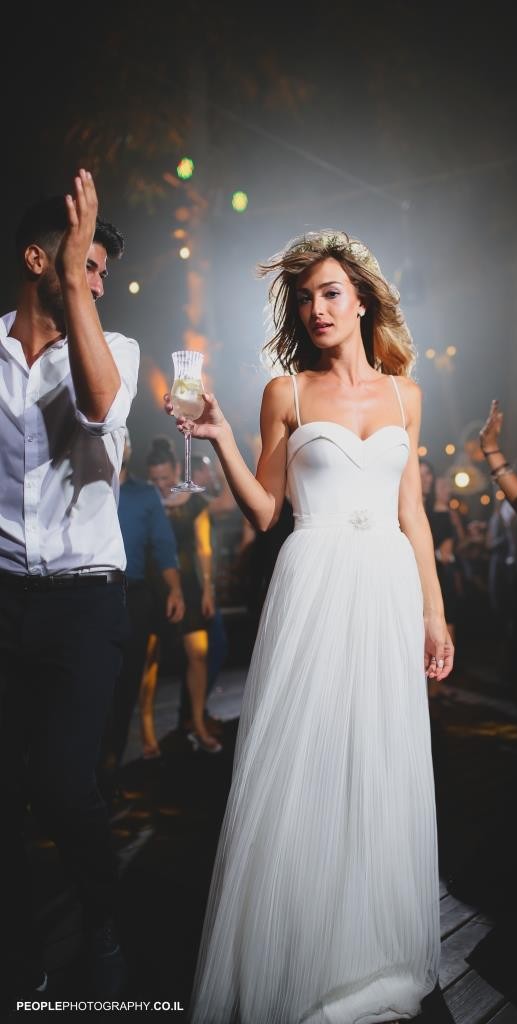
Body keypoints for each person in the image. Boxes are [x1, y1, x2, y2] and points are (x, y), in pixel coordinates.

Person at [168, 230, 453, 1023]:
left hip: (387, 584)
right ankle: (301, 955)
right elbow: (265, 511)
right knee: (306, 759)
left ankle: (368, 954)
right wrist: (221, 436)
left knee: (379, 759)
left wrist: (433, 612)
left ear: (360, 299)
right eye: (304, 298)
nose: (316, 308)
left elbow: (412, 514)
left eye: (329, 293)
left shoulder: (406, 396)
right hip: (313, 584)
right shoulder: (284, 393)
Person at [0, 172, 139, 1000]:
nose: (98, 282)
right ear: (35, 260)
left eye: (102, 270)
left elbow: (97, 409)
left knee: (61, 785)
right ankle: (22, 962)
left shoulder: (114, 350)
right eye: (85, 263)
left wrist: (80, 276)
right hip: (3, 598)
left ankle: (103, 918)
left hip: (85, 602)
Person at [98, 429, 184, 794]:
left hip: (132, 598)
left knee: (126, 687)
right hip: (90, 597)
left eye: (123, 439)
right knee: (90, 688)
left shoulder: (144, 494)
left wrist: (175, 588)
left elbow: (163, 546)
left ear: (129, 448)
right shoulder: (88, 488)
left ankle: (108, 771)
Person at [142, 437, 221, 755]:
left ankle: (197, 723)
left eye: (165, 477)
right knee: (149, 661)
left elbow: (204, 548)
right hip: (154, 585)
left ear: (177, 470)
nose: (161, 485)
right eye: (155, 479)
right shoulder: (147, 502)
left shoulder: (194, 501)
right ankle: (147, 731)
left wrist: (208, 589)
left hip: (189, 584)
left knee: (199, 654)